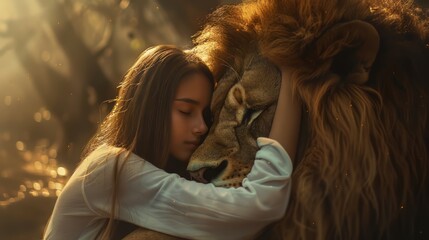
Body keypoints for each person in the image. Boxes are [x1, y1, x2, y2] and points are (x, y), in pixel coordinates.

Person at [43, 45, 301, 240]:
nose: (201, 127)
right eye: (186, 112)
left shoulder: (138, 170)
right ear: (150, 110)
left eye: (205, 115)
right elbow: (258, 207)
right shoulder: (111, 169)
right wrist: (294, 76)